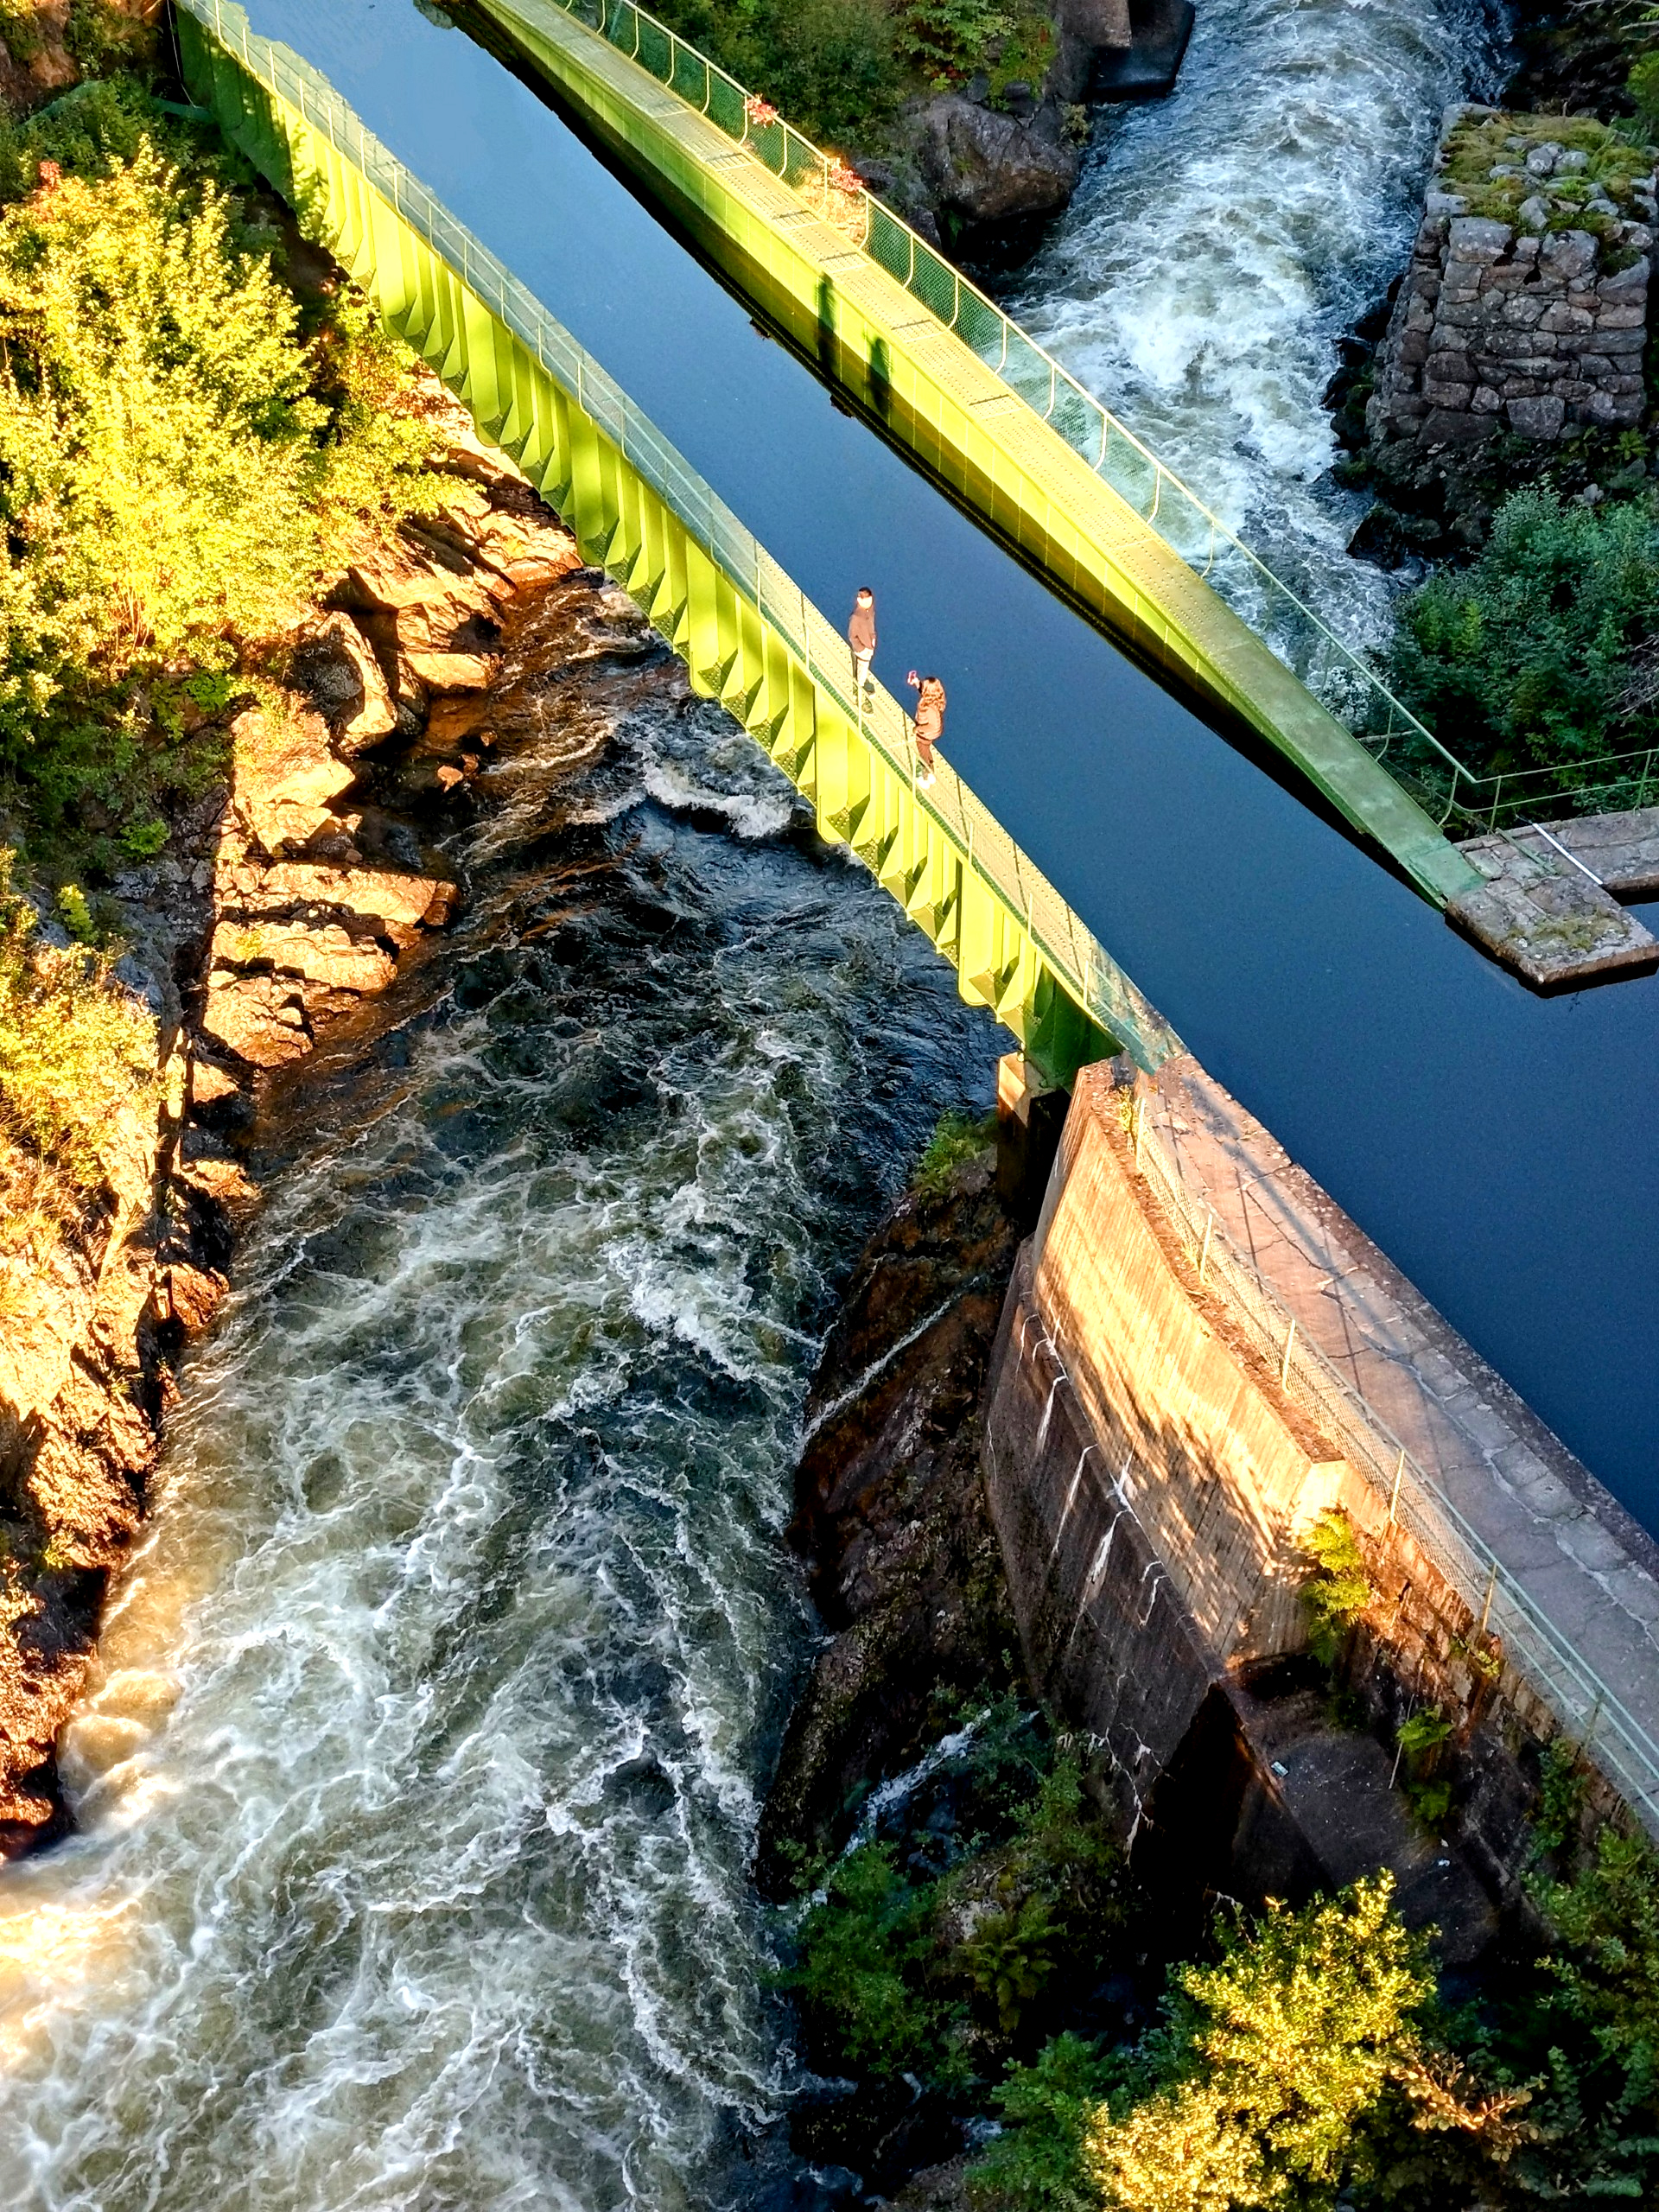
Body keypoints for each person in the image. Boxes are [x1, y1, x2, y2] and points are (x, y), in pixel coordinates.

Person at [907, 670, 944, 788]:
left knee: (923, 753)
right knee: (926, 750)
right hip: (931, 735)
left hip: (925, 734)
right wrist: (916, 682)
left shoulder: (929, 708)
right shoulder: (933, 700)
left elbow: (932, 726)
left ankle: (925, 777)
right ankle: (931, 771)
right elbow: (922, 691)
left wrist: (917, 729)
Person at [848, 587, 876, 703]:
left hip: (869, 646)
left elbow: (871, 625)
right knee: (862, 669)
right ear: (859, 600)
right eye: (866, 600)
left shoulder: (870, 611)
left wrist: (873, 637)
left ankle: (860, 685)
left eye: (870, 599)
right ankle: (859, 693)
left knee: (864, 667)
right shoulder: (856, 617)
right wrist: (861, 649)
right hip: (863, 649)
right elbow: (852, 636)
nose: (869, 602)